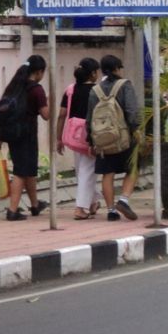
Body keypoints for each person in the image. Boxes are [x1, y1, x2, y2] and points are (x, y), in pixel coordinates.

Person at [86, 55, 141, 221]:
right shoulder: (125, 85)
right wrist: (136, 130)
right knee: (133, 167)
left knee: (107, 173)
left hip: (102, 139)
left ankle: (111, 211)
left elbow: (89, 118)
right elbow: (132, 112)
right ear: (117, 68)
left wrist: (91, 139)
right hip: (123, 137)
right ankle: (123, 200)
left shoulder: (95, 90)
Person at [0, 55, 50, 221]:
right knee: (21, 171)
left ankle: (35, 206)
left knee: (29, 170)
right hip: (27, 135)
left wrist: (1, 137)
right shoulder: (36, 90)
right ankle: (12, 210)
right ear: (39, 72)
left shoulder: (15, 86)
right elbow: (46, 115)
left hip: (13, 135)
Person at [56, 57, 102, 220]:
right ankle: (80, 208)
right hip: (90, 135)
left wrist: (58, 138)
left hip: (73, 135)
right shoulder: (98, 91)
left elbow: (62, 115)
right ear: (93, 74)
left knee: (81, 170)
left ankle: (93, 201)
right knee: (87, 171)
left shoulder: (71, 89)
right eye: (97, 71)